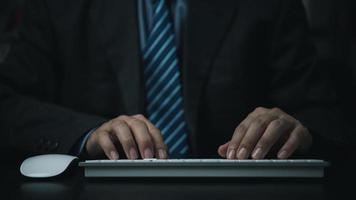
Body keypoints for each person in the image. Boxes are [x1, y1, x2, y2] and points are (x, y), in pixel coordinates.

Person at [0, 0, 345, 161]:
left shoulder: (267, 6)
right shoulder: (58, 6)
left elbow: (325, 116)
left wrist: (295, 130)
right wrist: (87, 135)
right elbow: (8, 103)